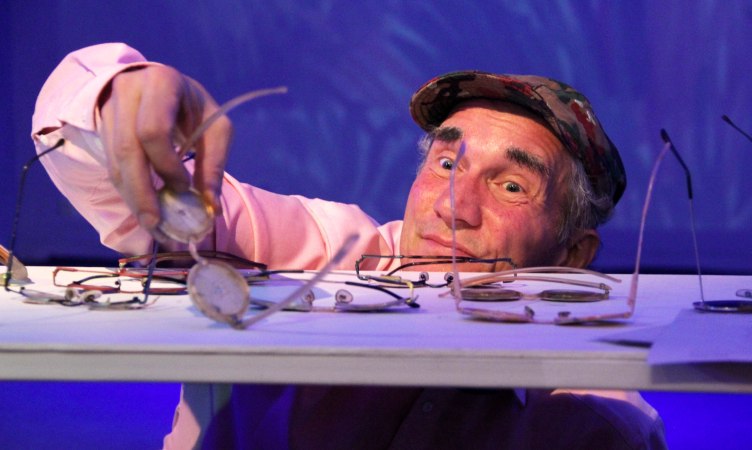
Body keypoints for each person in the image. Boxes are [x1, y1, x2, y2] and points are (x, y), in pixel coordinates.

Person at [33, 43, 666, 449]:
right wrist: (116, 99)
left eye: (510, 185)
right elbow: (122, 186)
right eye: (447, 165)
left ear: (573, 255)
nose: (454, 207)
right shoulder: (314, 252)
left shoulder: (595, 424)